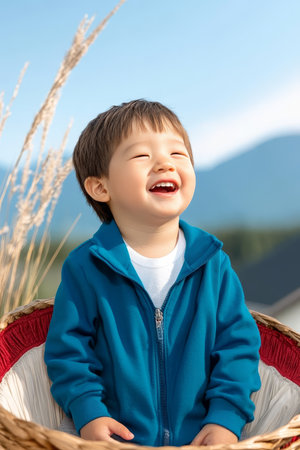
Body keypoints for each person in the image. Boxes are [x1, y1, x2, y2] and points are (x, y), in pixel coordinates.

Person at [44, 99, 261, 446]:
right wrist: (89, 413)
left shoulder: (213, 264)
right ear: (101, 187)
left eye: (178, 154)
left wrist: (226, 417)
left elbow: (238, 346)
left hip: (202, 439)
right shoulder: (85, 267)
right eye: (142, 156)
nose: (165, 163)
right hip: (118, 439)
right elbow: (68, 351)